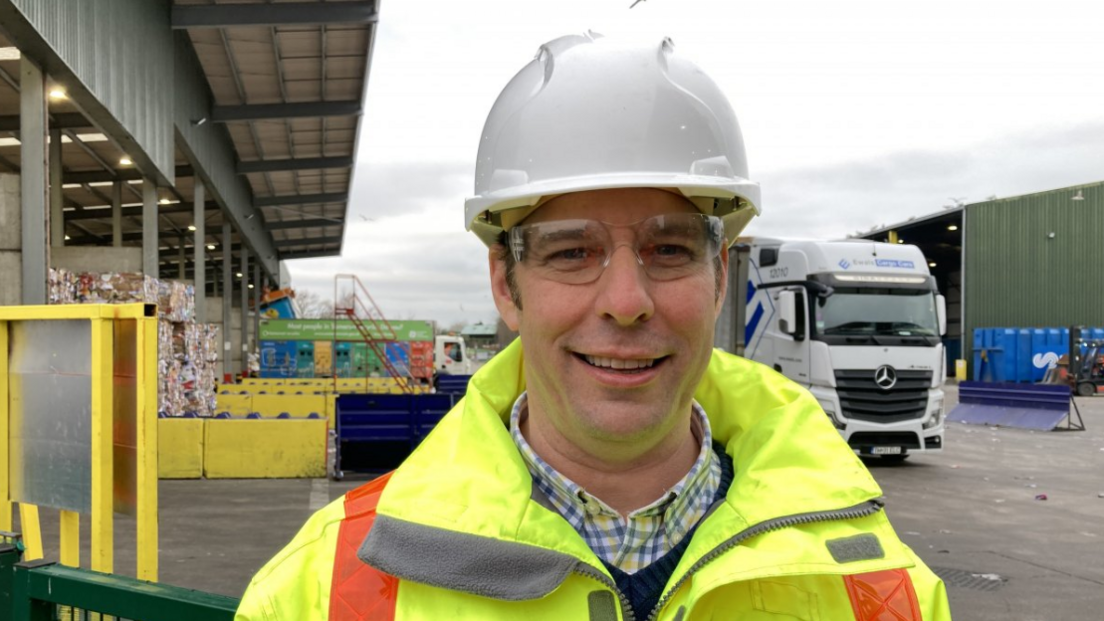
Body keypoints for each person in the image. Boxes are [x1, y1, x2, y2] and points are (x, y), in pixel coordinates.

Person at [236, 33, 951, 621]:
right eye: (571, 252)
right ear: (504, 284)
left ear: (719, 279)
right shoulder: (324, 590)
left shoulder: (880, 591)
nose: (626, 300)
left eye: (669, 248)